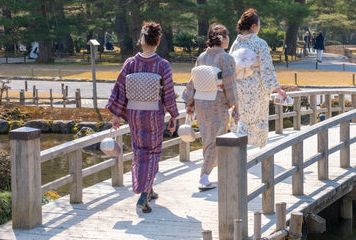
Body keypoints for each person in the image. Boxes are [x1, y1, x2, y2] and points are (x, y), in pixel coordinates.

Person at [105, 22, 179, 213]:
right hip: (154, 114)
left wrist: (116, 115)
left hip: (135, 114)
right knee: (153, 152)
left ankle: (148, 188)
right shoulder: (163, 65)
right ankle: (144, 195)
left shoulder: (130, 63)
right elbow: (169, 94)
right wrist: (174, 116)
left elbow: (120, 90)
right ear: (158, 40)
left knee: (140, 151)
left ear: (141, 39)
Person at [182, 23, 239, 191]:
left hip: (200, 101)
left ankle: (207, 173)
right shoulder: (226, 59)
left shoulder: (202, 57)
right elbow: (230, 85)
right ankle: (204, 176)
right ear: (224, 38)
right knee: (216, 139)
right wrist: (235, 105)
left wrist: (189, 103)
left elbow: (193, 81)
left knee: (208, 139)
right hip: (217, 102)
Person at [229, 8, 286, 148]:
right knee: (257, 118)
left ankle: (239, 146)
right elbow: (267, 68)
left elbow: (230, 66)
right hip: (256, 87)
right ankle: (257, 147)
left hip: (239, 86)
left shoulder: (236, 44)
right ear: (254, 25)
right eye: (259, 23)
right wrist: (277, 88)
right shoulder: (260, 43)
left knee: (240, 116)